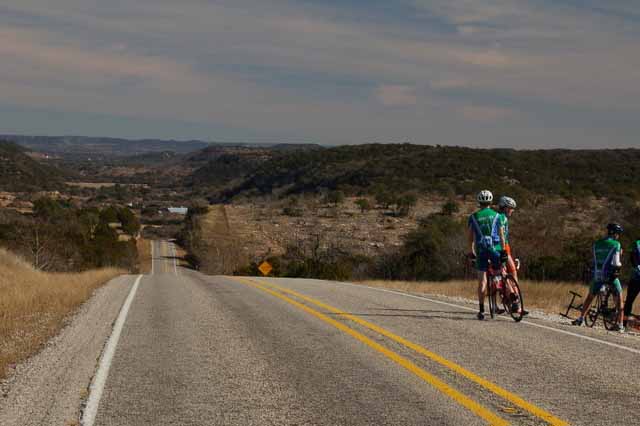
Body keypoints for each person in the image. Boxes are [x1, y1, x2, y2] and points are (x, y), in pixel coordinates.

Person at [572, 223, 625, 332]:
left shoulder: (597, 244)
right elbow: (616, 262)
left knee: (590, 297)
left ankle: (581, 318)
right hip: (610, 275)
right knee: (619, 297)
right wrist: (620, 256)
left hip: (597, 274)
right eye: (618, 234)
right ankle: (620, 325)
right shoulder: (616, 244)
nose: (618, 236)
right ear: (615, 234)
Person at [467, 190, 502, 320]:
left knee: (482, 281)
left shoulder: (473, 217)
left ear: (479, 202)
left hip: (481, 250)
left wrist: (471, 251)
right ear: (491, 202)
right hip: (495, 249)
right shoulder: (497, 215)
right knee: (498, 272)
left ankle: (481, 310)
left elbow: (470, 237)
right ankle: (497, 283)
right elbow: (502, 235)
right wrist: (503, 251)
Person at [623, 237, 640, 328]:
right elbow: (632, 258)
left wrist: (636, 267)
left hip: (636, 276)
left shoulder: (636, 243)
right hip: (636, 276)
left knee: (629, 300)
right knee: (629, 300)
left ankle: (623, 324)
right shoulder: (636, 243)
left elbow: (632, 258)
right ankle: (624, 323)